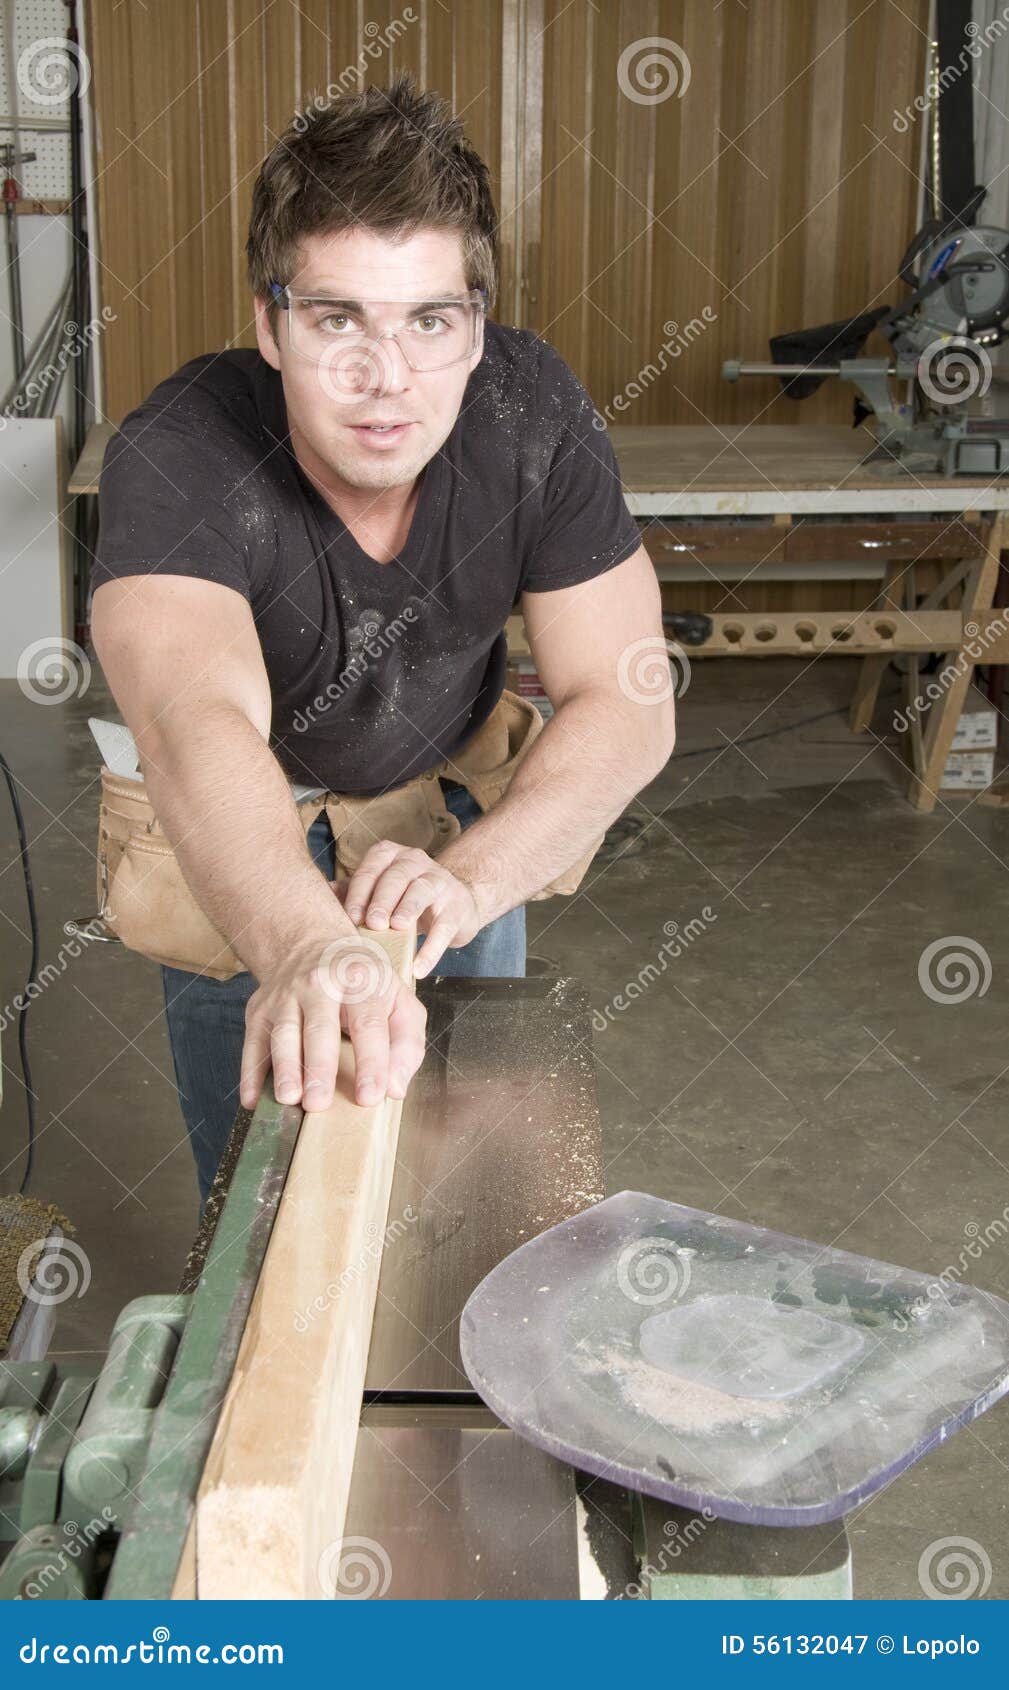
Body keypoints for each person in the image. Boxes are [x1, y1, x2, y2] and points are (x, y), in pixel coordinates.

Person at [91, 76, 676, 1202]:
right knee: (265, 1201)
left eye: (428, 320)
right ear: (269, 322)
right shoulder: (180, 449)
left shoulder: (529, 410)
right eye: (336, 318)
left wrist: (468, 882)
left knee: (460, 1187)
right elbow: (191, 720)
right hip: (252, 836)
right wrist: (305, 944)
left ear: (476, 324)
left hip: (447, 825)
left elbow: (627, 693)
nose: (385, 377)